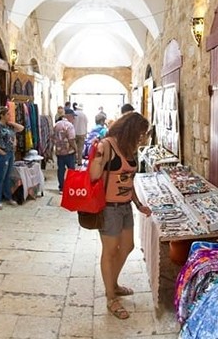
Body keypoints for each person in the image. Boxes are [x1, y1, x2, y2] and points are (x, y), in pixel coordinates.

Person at [88, 112, 152, 320]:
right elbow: (94, 176)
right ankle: (110, 297)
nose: (142, 138)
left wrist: (138, 203)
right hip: (108, 207)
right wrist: (98, 157)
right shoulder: (106, 145)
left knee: (127, 246)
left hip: (124, 206)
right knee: (110, 250)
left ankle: (113, 284)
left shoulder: (128, 148)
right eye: (141, 133)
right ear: (130, 130)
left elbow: (128, 181)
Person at [0, 106, 24, 210]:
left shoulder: (9, 126)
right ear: (2, 115)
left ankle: (8, 197)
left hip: (10, 154)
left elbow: (21, 128)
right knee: (0, 177)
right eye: (7, 114)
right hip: (2, 154)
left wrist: (12, 123)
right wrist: (1, 152)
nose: (9, 116)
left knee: (8, 176)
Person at [53, 108, 77, 193]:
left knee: (61, 170)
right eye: (73, 117)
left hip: (59, 152)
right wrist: (75, 149)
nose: (74, 119)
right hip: (69, 152)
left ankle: (61, 188)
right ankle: (71, 186)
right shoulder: (69, 126)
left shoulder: (56, 125)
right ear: (68, 116)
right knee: (71, 170)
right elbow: (71, 139)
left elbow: (52, 137)